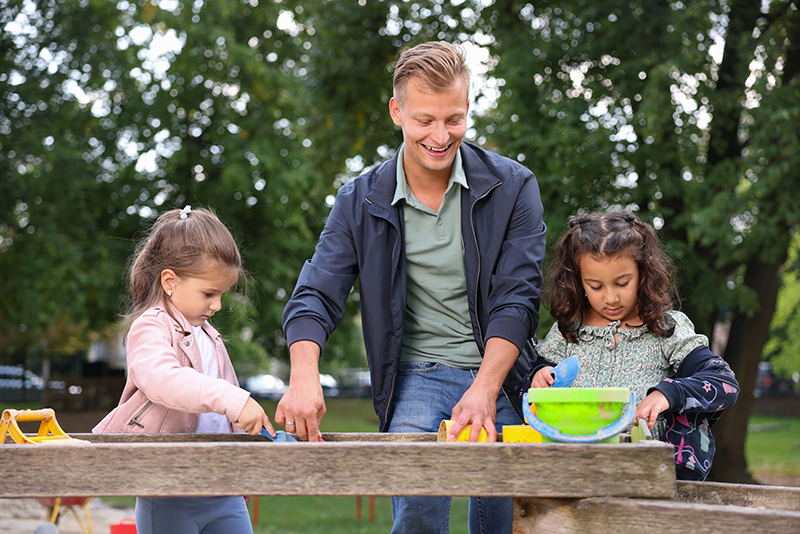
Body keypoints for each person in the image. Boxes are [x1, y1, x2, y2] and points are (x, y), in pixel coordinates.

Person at [278, 42, 546, 533]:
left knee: (506, 519)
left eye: (455, 119)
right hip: (418, 374)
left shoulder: (513, 187)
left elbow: (518, 297)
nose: (441, 137)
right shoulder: (360, 200)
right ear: (397, 112)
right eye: (425, 120)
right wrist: (303, 375)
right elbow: (317, 292)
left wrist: (484, 388)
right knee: (418, 506)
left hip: (502, 372)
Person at [93, 205, 275, 534]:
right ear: (170, 281)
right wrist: (230, 398)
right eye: (209, 293)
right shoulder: (150, 327)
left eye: (222, 294)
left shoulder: (210, 336)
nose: (217, 305)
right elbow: (162, 379)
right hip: (168, 490)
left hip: (224, 490)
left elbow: (224, 411)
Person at [529, 211, 739, 480]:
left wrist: (668, 394)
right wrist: (539, 376)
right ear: (578, 281)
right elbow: (537, 374)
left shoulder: (666, 328)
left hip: (647, 479)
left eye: (622, 283)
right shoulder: (568, 330)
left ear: (644, 272)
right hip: (575, 475)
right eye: (595, 286)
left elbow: (724, 382)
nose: (610, 297)